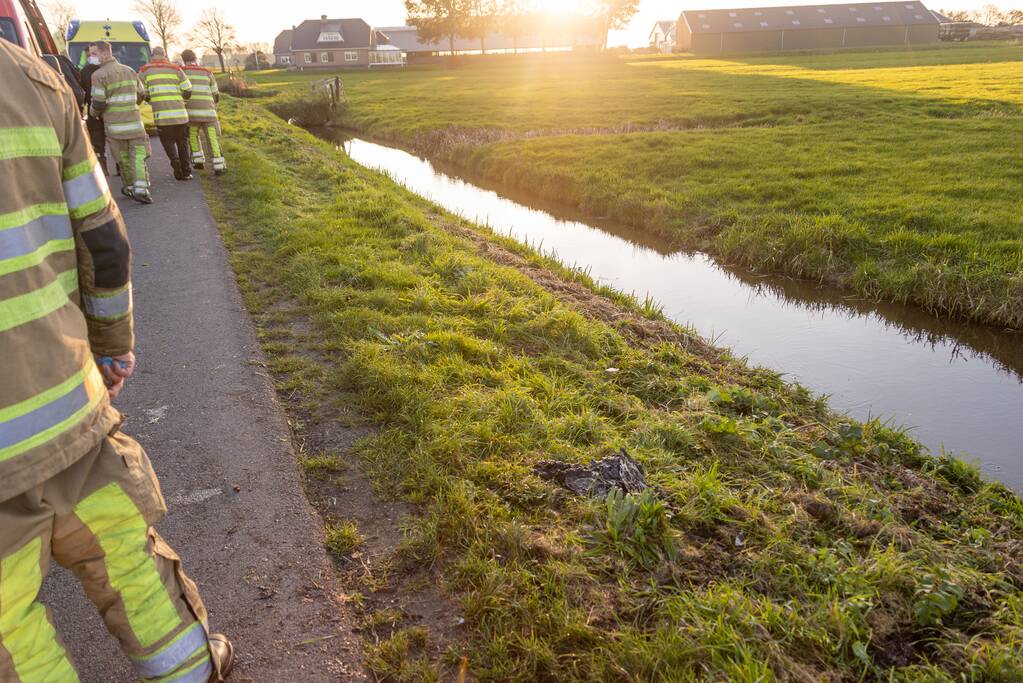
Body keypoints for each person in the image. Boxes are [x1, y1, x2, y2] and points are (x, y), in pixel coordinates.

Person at [0, 38, 234, 681]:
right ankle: (189, 672)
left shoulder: (100, 79)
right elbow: (103, 242)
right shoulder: (33, 81)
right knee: (127, 558)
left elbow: (107, 107)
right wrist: (109, 351)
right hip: (63, 399)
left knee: (7, 625)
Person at [90, 40, 153, 204]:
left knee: (123, 158)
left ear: (105, 53)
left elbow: (98, 102)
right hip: (135, 125)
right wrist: (133, 105)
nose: (91, 57)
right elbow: (142, 93)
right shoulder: (130, 71)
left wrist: (93, 113)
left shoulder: (98, 75)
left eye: (94, 54)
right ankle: (141, 189)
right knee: (138, 156)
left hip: (115, 128)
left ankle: (130, 187)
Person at [140, 46, 193, 181]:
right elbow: (188, 89)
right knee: (182, 143)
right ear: (164, 55)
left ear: (152, 55)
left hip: (162, 116)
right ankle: (186, 171)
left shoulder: (145, 70)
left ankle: (175, 162)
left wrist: (151, 101)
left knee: (167, 141)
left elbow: (141, 92)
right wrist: (183, 101)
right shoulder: (176, 68)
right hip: (180, 114)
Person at [181, 49, 226, 175]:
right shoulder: (207, 72)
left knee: (193, 136)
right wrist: (214, 106)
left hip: (191, 114)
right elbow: (216, 94)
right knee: (212, 138)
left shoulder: (181, 72)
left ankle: (198, 161)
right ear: (195, 58)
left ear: (183, 59)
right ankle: (218, 166)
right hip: (209, 113)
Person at [78, 43, 108, 176]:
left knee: (114, 140)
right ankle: (103, 167)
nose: (91, 57)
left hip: (106, 110)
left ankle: (119, 167)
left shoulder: (106, 69)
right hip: (94, 110)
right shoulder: (84, 71)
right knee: (97, 141)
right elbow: (83, 90)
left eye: (93, 54)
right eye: (89, 55)